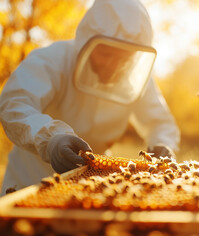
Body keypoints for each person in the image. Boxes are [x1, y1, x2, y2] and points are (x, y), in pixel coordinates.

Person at [0, 0, 180, 196]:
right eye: (106, 53)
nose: (113, 65)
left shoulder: (135, 79)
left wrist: (163, 144)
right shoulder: (52, 60)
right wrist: (50, 138)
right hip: (30, 182)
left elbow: (160, 123)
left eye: (124, 57)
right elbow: (15, 104)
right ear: (87, 41)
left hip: (93, 188)